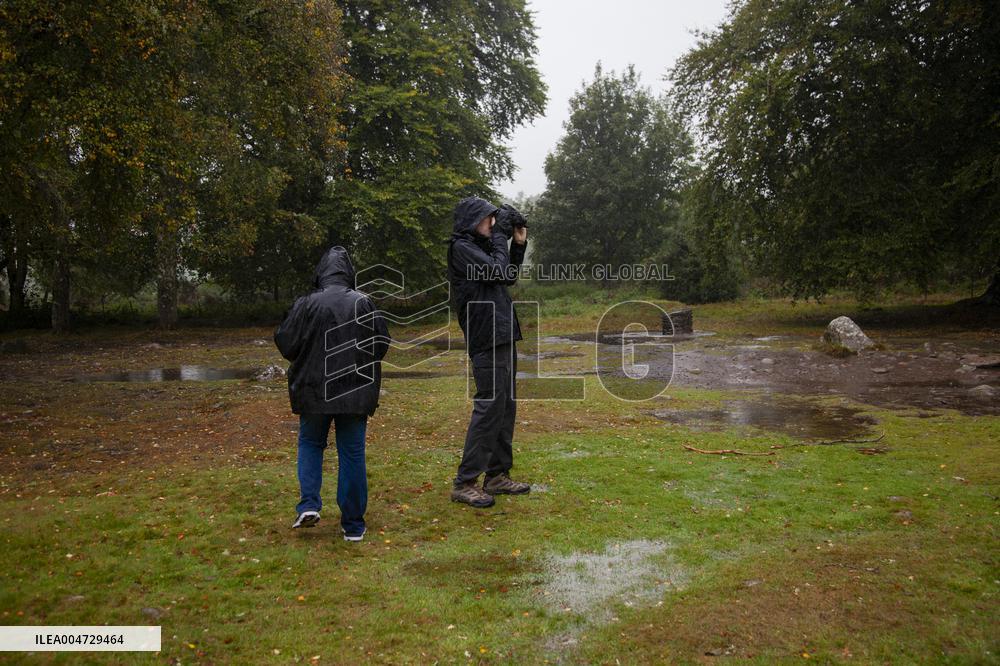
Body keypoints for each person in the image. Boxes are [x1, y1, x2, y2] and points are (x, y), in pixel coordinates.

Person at [274, 246, 389, 541]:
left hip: (313, 390)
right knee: (352, 452)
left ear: (321, 273)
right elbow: (381, 344)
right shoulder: (364, 303)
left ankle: (309, 504)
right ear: (349, 273)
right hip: (355, 391)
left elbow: (286, 341)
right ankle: (353, 525)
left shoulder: (306, 304)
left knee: (311, 443)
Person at [447, 197, 531, 508]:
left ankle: (496, 475)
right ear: (471, 220)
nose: (493, 223)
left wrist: (517, 246)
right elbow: (497, 270)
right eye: (488, 218)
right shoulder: (461, 249)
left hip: (503, 333)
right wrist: (499, 237)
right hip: (486, 336)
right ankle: (465, 482)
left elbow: (507, 274)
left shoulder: (481, 248)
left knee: (505, 407)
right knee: (489, 407)